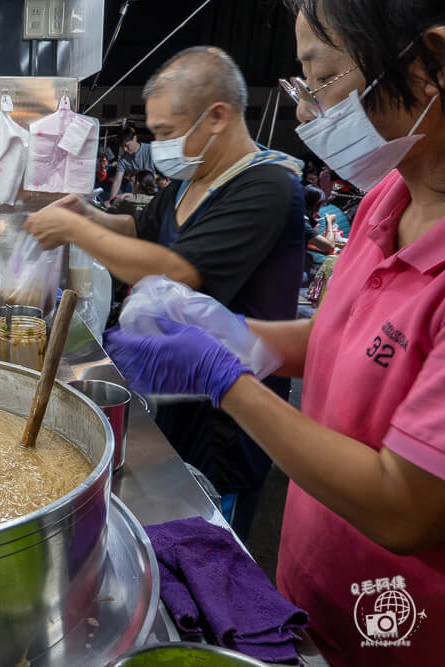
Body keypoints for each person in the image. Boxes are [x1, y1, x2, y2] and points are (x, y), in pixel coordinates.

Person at [104, 1, 445, 664]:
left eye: (322, 80)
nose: (308, 110)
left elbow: (406, 506)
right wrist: (237, 334)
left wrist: (223, 377)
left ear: (431, 64)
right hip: (308, 600)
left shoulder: (269, 187)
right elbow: (348, 336)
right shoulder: (389, 195)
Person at [25, 45, 306, 537]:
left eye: (166, 133)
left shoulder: (266, 186)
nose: (159, 146)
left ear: (217, 116)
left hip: (231, 412)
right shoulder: (190, 180)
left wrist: (73, 233)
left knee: (211, 538)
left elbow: (177, 269)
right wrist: (88, 215)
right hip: (175, 388)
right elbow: (140, 229)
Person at [109, 126, 155, 198]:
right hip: (136, 194)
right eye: (122, 146)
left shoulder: (151, 151)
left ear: (135, 138)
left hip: (154, 194)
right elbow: (117, 181)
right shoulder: (123, 160)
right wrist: (111, 199)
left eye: (127, 145)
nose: (125, 149)